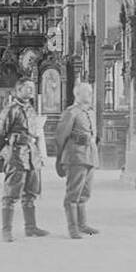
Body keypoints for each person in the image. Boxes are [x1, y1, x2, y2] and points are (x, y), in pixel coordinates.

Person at [0, 76, 48, 242]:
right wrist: (6, 151)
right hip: (16, 154)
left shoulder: (30, 108)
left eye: (32, 88)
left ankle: (30, 227)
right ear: (18, 90)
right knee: (11, 193)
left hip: (31, 154)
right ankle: (6, 230)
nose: (31, 90)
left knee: (31, 192)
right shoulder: (10, 109)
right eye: (27, 88)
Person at [56, 81, 100, 238]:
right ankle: (72, 228)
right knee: (73, 194)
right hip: (75, 156)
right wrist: (60, 158)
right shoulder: (71, 112)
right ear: (77, 94)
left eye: (90, 92)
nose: (90, 95)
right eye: (86, 92)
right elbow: (61, 136)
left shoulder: (91, 112)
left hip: (90, 157)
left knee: (85, 192)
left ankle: (82, 224)